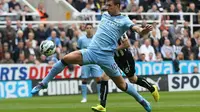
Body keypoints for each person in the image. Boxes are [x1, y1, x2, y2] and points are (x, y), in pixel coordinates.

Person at [31, 0, 153, 111]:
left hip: (107, 58)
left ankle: (141, 100)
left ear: (117, 6)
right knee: (65, 59)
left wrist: (144, 30)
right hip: (91, 52)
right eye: (106, 5)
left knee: (121, 85)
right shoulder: (105, 15)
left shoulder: (124, 20)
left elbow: (138, 29)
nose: (107, 7)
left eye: (109, 5)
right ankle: (44, 83)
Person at [91, 33, 159, 112]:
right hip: (114, 59)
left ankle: (151, 87)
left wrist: (113, 49)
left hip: (125, 58)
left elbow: (127, 45)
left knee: (133, 79)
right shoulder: (104, 33)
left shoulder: (120, 31)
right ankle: (102, 105)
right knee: (104, 77)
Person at [77, 23, 102, 103]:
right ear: (85, 29)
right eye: (87, 28)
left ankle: (100, 97)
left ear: (93, 29)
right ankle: (84, 98)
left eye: (90, 28)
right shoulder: (81, 39)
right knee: (84, 79)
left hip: (95, 61)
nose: (89, 29)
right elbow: (78, 50)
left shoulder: (96, 38)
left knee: (98, 78)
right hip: (85, 62)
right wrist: (79, 60)